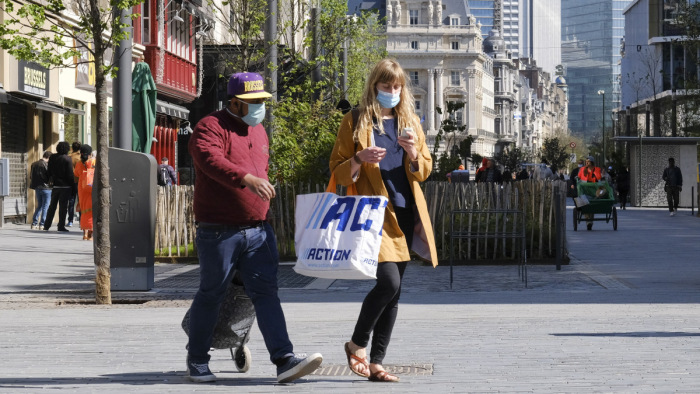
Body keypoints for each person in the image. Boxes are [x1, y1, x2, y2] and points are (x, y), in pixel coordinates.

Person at [187, 72, 322, 384]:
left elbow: (260, 166)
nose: (260, 106)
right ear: (234, 102)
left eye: (262, 100)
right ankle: (197, 360)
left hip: (259, 230)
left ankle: (284, 360)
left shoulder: (259, 130)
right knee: (213, 293)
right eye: (253, 102)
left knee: (266, 294)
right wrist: (246, 179)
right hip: (219, 230)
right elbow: (208, 158)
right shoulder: (211, 126)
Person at [329, 58, 438, 383]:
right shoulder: (357, 120)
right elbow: (336, 168)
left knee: (395, 291)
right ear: (374, 86)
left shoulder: (410, 121)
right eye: (386, 86)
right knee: (389, 283)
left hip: (406, 213)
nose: (392, 91)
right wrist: (358, 159)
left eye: (397, 86)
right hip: (374, 215)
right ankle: (357, 344)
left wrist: (414, 155)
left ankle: (377, 363)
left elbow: (426, 170)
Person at [43, 142, 74, 232]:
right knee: (63, 207)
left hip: (55, 185)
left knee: (52, 206)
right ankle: (61, 226)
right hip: (65, 186)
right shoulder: (67, 159)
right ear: (67, 148)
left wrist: (50, 179)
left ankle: (47, 225)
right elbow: (70, 175)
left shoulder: (52, 157)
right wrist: (73, 187)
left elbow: (48, 171)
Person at [74, 145, 95, 240]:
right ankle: (90, 234)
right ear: (90, 154)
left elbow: (76, 174)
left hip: (82, 189)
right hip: (91, 187)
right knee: (92, 210)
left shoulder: (79, 163)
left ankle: (85, 233)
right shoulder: (93, 162)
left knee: (84, 210)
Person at [577, 156, 602, 230]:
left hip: (593, 189)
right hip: (584, 189)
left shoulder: (596, 169)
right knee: (585, 204)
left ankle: (590, 221)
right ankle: (588, 222)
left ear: (592, 162)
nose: (587, 163)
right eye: (586, 161)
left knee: (592, 206)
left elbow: (599, 178)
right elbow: (579, 177)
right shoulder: (582, 169)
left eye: (588, 162)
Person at [29, 151, 52, 230]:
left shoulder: (34, 164)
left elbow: (31, 176)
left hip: (37, 187)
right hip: (46, 188)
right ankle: (42, 224)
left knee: (40, 206)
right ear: (49, 157)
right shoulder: (47, 165)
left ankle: (34, 223)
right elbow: (48, 177)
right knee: (46, 206)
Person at [66, 142, 81, 227]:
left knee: (71, 202)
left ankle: (70, 220)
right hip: (79, 181)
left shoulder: (69, 157)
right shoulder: (80, 157)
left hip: (70, 181)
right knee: (80, 201)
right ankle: (81, 220)